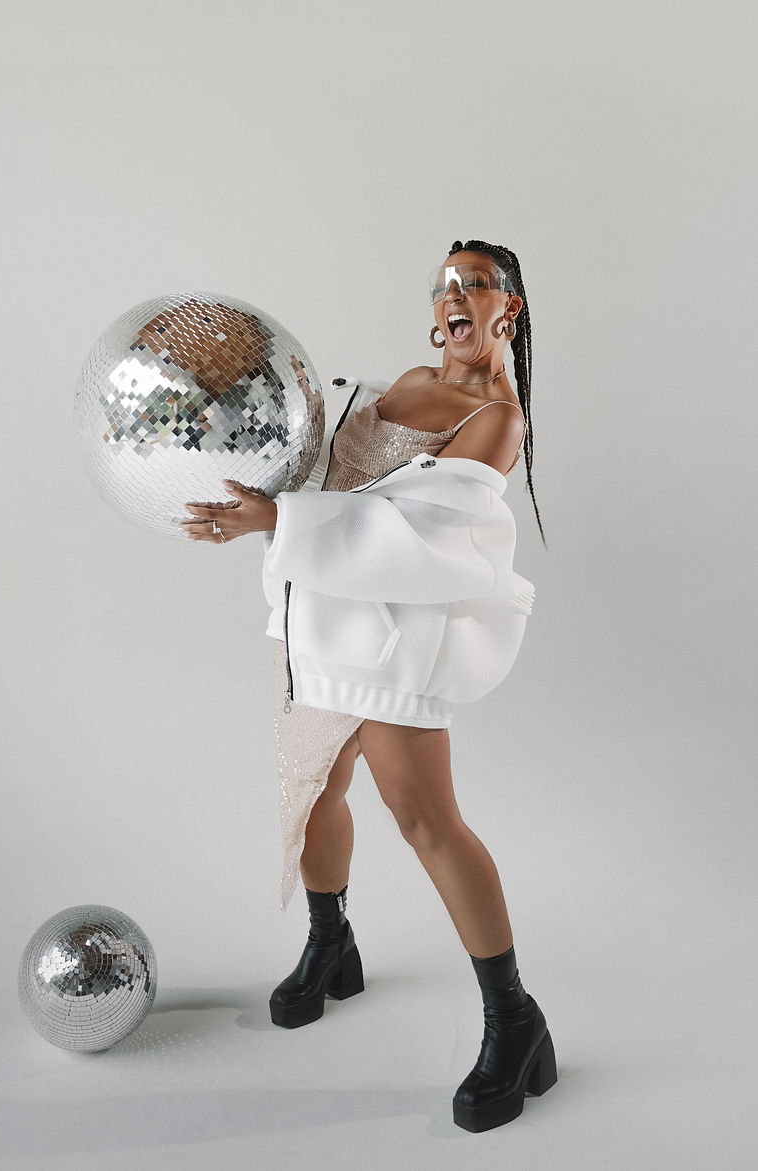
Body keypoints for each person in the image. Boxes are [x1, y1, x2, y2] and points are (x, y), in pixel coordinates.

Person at [181, 239, 555, 1133]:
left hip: (391, 634)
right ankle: (331, 943)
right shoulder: (400, 379)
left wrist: (279, 519)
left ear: (510, 310)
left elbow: (418, 533)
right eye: (446, 284)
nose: (457, 293)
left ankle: (517, 1022)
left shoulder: (497, 416)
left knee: (426, 820)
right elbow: (333, 468)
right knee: (309, 796)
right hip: (315, 619)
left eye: (477, 283)